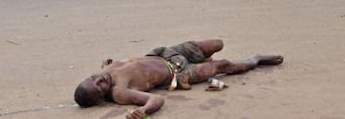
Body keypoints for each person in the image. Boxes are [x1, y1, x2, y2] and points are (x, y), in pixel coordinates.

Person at [74, 39, 283, 119]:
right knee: (222, 65)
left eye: (94, 78)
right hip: (178, 72)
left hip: (165, 53)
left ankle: (207, 59)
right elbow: (157, 100)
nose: (101, 80)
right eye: (100, 88)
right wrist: (143, 111)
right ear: (101, 99)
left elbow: (107, 68)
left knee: (217, 43)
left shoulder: (105, 70)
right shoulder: (120, 91)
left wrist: (105, 65)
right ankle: (255, 59)